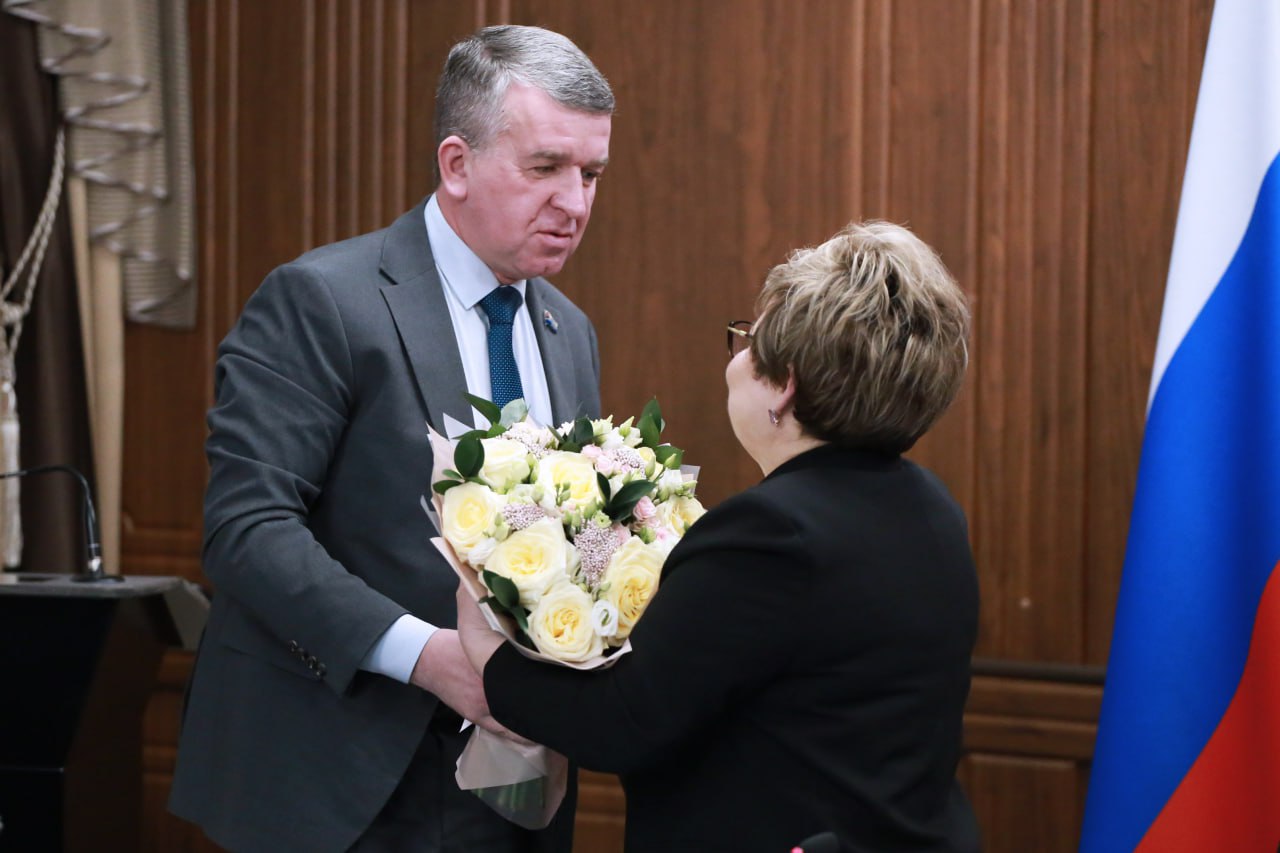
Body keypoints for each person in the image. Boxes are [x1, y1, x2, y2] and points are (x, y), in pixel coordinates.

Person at [169, 25, 613, 853]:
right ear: (457, 164)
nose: (575, 203)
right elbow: (246, 529)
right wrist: (427, 656)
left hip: (515, 786)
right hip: (338, 773)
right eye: (546, 167)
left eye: (590, 174)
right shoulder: (323, 300)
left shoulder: (569, 330)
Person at [457, 221, 983, 852]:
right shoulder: (933, 509)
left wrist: (485, 650)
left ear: (785, 384)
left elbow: (621, 725)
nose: (736, 360)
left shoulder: (771, 533)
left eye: (750, 340)